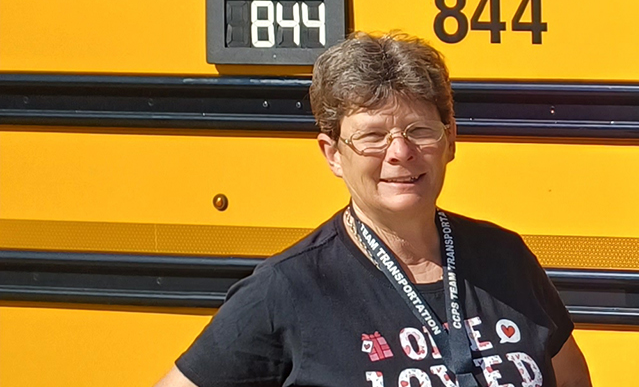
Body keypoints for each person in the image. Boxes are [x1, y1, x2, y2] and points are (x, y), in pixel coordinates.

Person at [156, 32, 592, 387]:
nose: (399, 152)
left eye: (419, 130)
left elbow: (572, 379)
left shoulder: (504, 258)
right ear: (332, 153)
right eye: (372, 136)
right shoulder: (288, 288)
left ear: (450, 140)